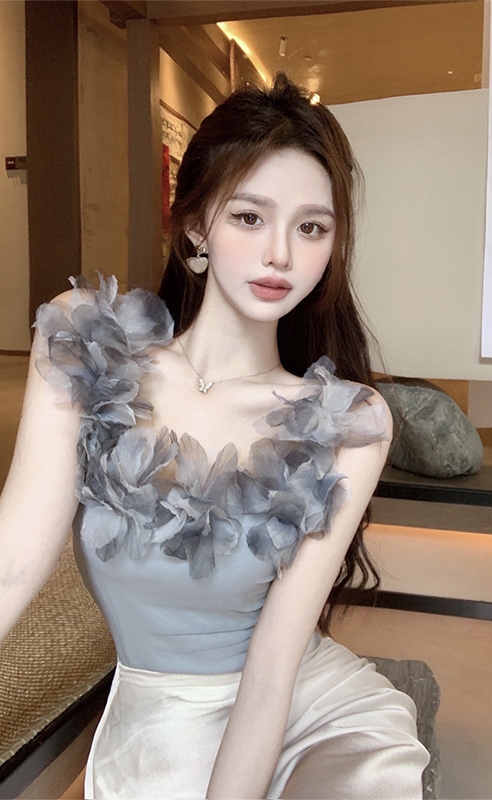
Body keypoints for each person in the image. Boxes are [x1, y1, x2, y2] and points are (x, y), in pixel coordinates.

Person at [0, 74, 429, 799]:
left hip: (304, 711)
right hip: (159, 725)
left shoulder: (349, 422)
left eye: (311, 228)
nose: (280, 255)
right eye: (250, 217)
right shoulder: (88, 342)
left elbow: (271, 672)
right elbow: (13, 561)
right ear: (196, 226)